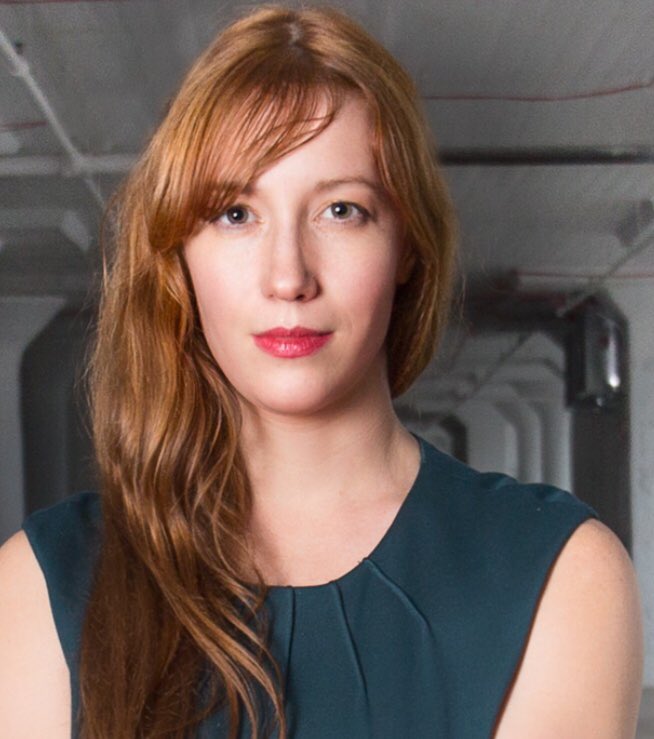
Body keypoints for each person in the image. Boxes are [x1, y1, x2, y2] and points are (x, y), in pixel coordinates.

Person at [0, 5, 643, 738]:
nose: (288, 276)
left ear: (407, 245)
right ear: (180, 255)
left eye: (341, 210)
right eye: (235, 214)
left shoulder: (557, 574)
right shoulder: (40, 588)